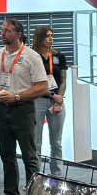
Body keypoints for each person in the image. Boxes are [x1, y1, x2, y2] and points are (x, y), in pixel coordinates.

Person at [0, 19, 48, 195]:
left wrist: (17, 96)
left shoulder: (32, 57)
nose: (3, 33)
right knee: (6, 155)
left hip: (23, 109)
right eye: (2, 30)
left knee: (29, 157)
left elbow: (42, 87)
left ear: (18, 34)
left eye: (8, 30)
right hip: (1, 109)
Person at [31, 26, 68, 176]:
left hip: (57, 102)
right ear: (39, 38)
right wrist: (54, 97)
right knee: (35, 143)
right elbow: (32, 83)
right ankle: (34, 176)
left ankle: (57, 176)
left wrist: (58, 102)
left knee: (56, 142)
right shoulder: (32, 57)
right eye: (47, 36)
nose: (51, 39)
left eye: (52, 35)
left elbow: (63, 81)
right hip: (38, 101)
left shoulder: (59, 56)